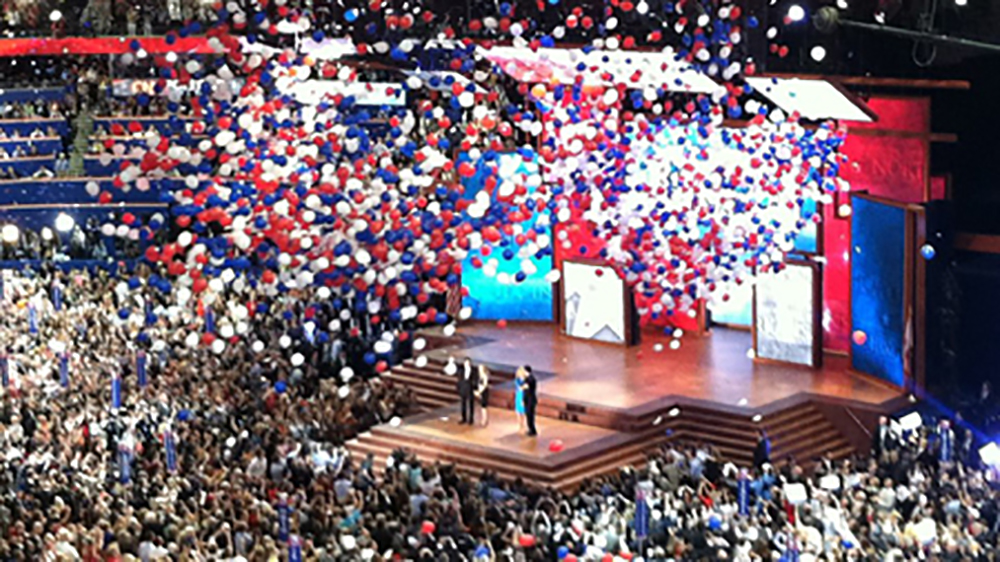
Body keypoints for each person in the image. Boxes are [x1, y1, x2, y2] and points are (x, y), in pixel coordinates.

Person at [457, 357, 475, 425]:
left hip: (470, 389)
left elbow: (475, 380)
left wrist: (474, 388)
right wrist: (459, 388)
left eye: (468, 363)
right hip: (463, 389)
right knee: (463, 404)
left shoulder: (473, 370)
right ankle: (463, 418)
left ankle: (471, 419)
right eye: (466, 363)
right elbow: (459, 380)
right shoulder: (461, 370)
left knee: (471, 404)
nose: (467, 364)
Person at [522, 365, 538, 437]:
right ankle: (530, 429)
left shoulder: (531, 379)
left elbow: (526, 387)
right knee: (528, 415)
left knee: (530, 415)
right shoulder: (527, 378)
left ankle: (532, 430)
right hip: (527, 399)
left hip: (530, 400)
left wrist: (523, 385)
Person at [514, 366, 526, 431]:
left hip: (524, 395)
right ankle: (520, 424)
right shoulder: (517, 380)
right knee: (518, 411)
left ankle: (524, 424)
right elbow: (520, 387)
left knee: (524, 411)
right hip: (519, 395)